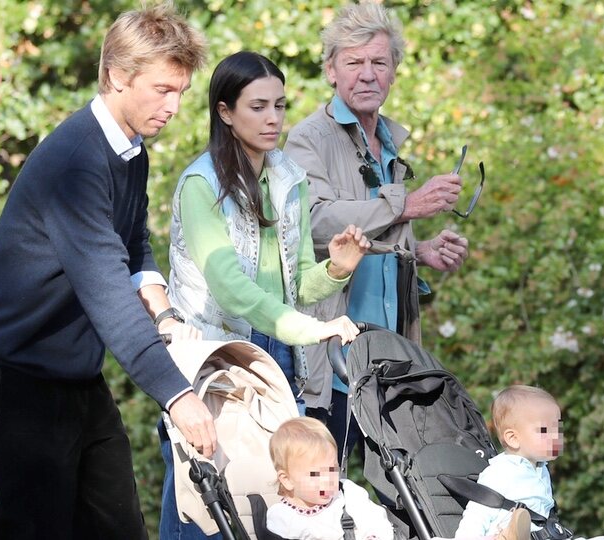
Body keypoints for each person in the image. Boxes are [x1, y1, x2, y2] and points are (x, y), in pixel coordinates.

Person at [0, 4, 217, 538]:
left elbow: (132, 243)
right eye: (163, 89)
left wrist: (165, 315)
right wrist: (178, 394)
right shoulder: (75, 161)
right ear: (117, 76)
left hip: (74, 372)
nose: (174, 106)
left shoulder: (131, 150)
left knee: (120, 526)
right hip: (17, 376)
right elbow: (106, 293)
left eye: (181, 93)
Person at [158, 51, 371, 539]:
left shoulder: (287, 176)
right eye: (257, 106)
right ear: (225, 111)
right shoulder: (201, 185)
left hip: (277, 356)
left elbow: (295, 286)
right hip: (214, 359)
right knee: (205, 510)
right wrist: (312, 330)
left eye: (280, 105)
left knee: (277, 508)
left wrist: (336, 270)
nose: (273, 118)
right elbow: (232, 290)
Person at [284, 2, 471, 458]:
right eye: (353, 62)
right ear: (331, 70)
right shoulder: (308, 138)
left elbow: (374, 228)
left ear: (393, 74)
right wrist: (405, 203)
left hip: (390, 353)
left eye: (378, 62)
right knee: (325, 488)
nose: (367, 74)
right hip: (334, 356)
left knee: (397, 497)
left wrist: (419, 251)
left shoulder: (388, 138)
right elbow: (317, 221)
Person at [452, 386, 604, 540]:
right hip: (501, 533)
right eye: (544, 431)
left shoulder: (540, 468)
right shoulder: (501, 471)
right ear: (513, 438)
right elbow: (478, 513)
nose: (556, 436)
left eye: (558, 429)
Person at [266, 417, 395, 540]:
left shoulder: (348, 493)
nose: (328, 481)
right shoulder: (282, 518)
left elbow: (376, 521)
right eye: (316, 475)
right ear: (287, 480)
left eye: (332, 469)